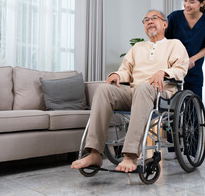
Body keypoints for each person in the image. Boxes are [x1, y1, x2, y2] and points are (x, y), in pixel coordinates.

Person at [71, 10, 189, 173]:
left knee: (142, 87)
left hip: (159, 94)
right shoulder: (137, 47)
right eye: (146, 20)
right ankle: (94, 153)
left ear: (165, 24)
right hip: (134, 92)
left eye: (154, 18)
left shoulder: (174, 44)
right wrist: (117, 74)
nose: (149, 21)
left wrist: (164, 72)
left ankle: (131, 154)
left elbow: (181, 69)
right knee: (104, 89)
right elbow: (126, 70)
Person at [165, 0, 205, 100]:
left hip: (194, 73)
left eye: (192, 2)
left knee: (193, 109)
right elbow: (164, 42)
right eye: (185, 0)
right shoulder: (174, 17)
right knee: (171, 111)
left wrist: (193, 59)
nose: (186, 5)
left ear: (202, 3)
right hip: (173, 71)